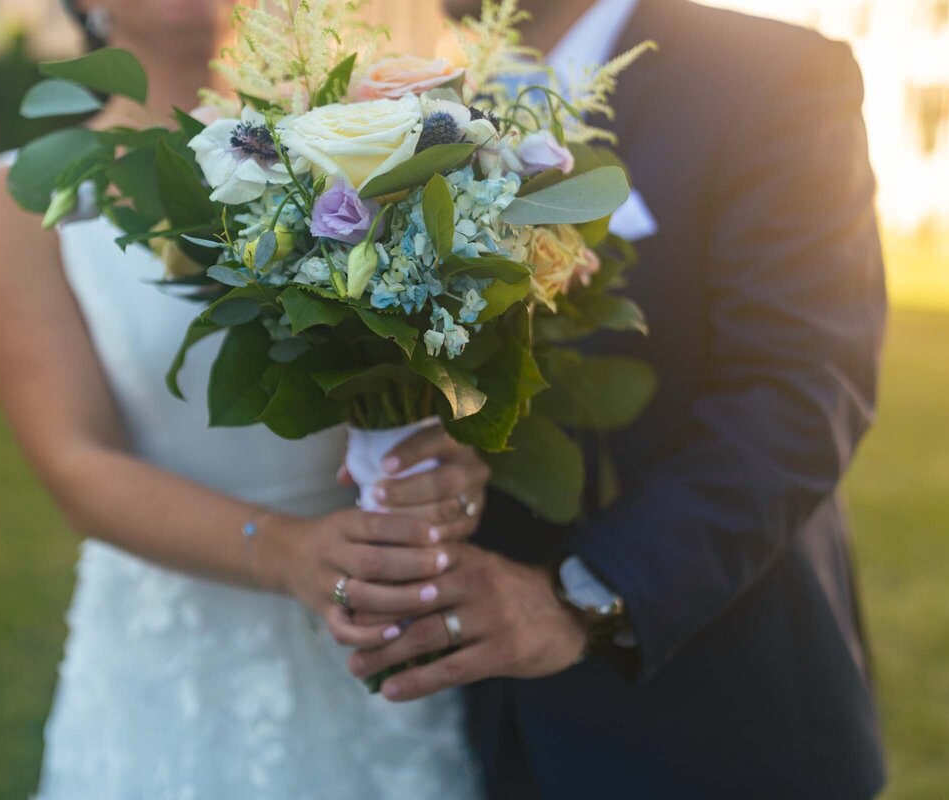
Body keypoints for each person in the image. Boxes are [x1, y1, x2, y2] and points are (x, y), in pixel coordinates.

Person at [340, 0, 888, 797]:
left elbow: (801, 395)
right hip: (487, 724)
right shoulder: (421, 105)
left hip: (716, 720)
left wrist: (583, 598)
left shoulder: (771, 74)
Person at [0, 1, 488, 797]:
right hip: (173, 659)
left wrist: (454, 458)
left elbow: (420, 361)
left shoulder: (346, 145)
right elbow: (75, 464)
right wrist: (286, 553)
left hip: (376, 623)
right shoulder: (24, 200)